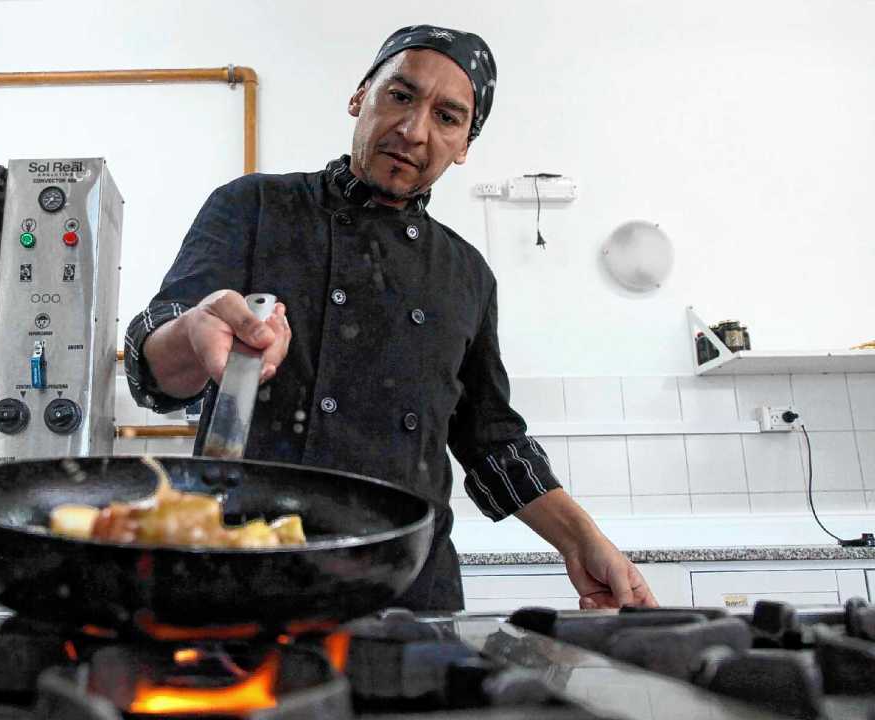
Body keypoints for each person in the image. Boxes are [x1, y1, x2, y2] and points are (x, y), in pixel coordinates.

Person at [125, 24, 657, 611]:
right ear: (361, 97)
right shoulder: (254, 206)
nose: (413, 130)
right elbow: (154, 364)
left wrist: (583, 542)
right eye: (400, 96)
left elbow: (492, 439)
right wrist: (192, 335)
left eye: (447, 117)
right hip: (246, 573)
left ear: (464, 145)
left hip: (409, 587)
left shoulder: (467, 273)